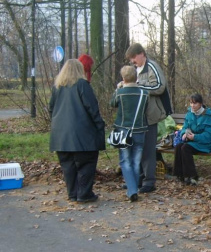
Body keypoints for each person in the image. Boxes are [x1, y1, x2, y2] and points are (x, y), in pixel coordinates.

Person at [48, 59, 105, 203]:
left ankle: (72, 193)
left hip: (60, 135)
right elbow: (92, 108)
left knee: (68, 165)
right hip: (82, 134)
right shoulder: (82, 85)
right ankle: (84, 194)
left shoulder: (57, 87)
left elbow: (51, 109)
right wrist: (99, 125)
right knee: (86, 163)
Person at [125, 43, 169, 194]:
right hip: (136, 117)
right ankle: (138, 179)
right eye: (130, 59)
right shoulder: (134, 70)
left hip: (149, 115)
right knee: (136, 148)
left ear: (142, 54)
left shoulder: (152, 66)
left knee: (148, 150)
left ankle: (149, 181)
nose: (132, 61)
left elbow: (159, 86)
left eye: (133, 57)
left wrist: (139, 87)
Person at [110, 66, 149, 202]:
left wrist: (118, 88)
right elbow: (146, 108)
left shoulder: (120, 93)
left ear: (123, 78)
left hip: (123, 130)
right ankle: (133, 188)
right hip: (140, 130)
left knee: (125, 160)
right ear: (136, 77)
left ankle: (132, 190)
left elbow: (112, 103)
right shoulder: (144, 93)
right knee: (136, 160)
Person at [173, 93, 211, 185]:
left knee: (185, 148)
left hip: (204, 144)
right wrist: (184, 133)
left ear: (200, 103)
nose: (192, 105)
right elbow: (184, 127)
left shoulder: (208, 116)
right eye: (191, 103)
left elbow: (209, 136)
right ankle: (180, 175)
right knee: (179, 146)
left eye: (195, 103)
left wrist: (195, 137)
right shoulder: (189, 114)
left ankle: (192, 176)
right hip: (192, 141)